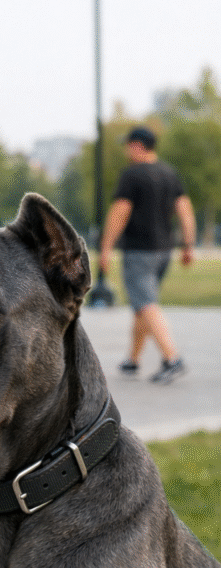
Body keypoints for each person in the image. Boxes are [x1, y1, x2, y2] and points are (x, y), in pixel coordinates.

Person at [100, 125, 197, 384]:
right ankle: (132, 360)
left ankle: (172, 359)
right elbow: (185, 209)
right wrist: (188, 244)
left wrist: (106, 248)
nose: (126, 150)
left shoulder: (132, 175)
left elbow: (120, 212)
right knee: (143, 307)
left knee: (146, 305)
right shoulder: (169, 173)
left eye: (128, 145)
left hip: (139, 251)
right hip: (165, 251)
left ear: (137, 145)